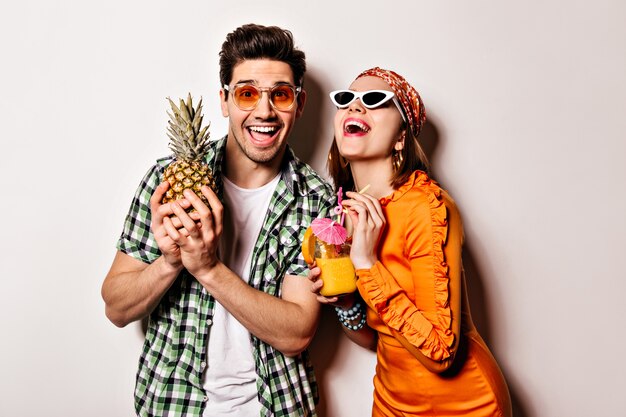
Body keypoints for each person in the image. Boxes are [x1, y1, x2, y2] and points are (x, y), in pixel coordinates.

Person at [101, 24, 335, 417]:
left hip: (276, 407)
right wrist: (171, 261)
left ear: (300, 103)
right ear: (225, 100)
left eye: (280, 94)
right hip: (173, 405)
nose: (264, 111)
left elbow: (297, 332)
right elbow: (117, 308)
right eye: (247, 93)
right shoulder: (168, 182)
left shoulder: (315, 202)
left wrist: (208, 268)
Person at [308, 67, 512, 416]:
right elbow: (381, 338)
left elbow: (440, 352)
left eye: (374, 100)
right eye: (346, 99)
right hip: (392, 403)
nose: (355, 107)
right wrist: (344, 304)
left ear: (401, 136)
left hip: (467, 405)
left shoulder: (426, 207)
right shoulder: (346, 216)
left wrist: (367, 264)